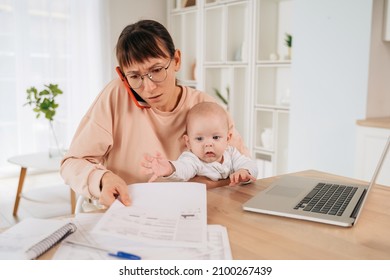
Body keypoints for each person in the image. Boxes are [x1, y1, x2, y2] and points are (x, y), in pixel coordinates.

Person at [60, 19, 250, 207]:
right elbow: (71, 163)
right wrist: (102, 179)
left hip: (192, 212)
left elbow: (245, 171)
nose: (149, 87)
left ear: (176, 60)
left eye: (157, 70)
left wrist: (211, 184)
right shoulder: (116, 95)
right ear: (123, 76)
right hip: (129, 210)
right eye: (135, 76)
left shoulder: (206, 106)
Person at [141, 102, 258, 185]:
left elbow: (250, 164)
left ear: (228, 139)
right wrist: (170, 168)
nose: (208, 144)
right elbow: (183, 170)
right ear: (188, 142)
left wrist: (244, 172)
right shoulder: (193, 159)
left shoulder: (231, 153)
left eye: (215, 137)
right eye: (199, 139)